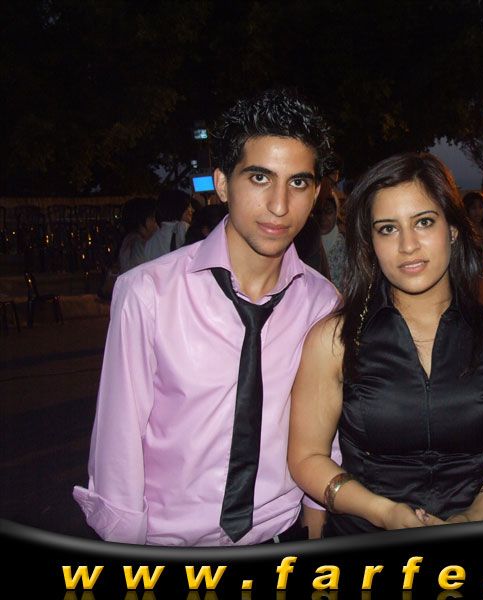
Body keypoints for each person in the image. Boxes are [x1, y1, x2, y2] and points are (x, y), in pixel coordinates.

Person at [72, 88, 340, 545]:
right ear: (222, 184)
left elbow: (324, 428)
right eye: (259, 178)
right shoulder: (148, 293)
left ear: (315, 194)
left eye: (298, 183)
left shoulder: (321, 302)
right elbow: (118, 445)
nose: (279, 205)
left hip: (280, 538)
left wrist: (316, 518)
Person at [288, 153, 483, 536]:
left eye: (423, 222)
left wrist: (476, 517)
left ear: (452, 229)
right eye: (388, 229)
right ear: (371, 242)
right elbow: (306, 457)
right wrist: (383, 512)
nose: (407, 245)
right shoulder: (334, 340)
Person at [142, 189, 195, 262]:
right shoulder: (183, 228)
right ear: (179, 208)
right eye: (189, 206)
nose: (192, 210)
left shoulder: (150, 242)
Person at [118, 196, 158, 273]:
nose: (156, 224)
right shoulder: (139, 246)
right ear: (145, 221)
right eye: (153, 218)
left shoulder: (129, 241)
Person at [316, 191, 346, 290]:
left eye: (328, 212)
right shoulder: (305, 244)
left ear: (336, 213)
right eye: (318, 212)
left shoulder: (345, 246)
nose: (323, 218)